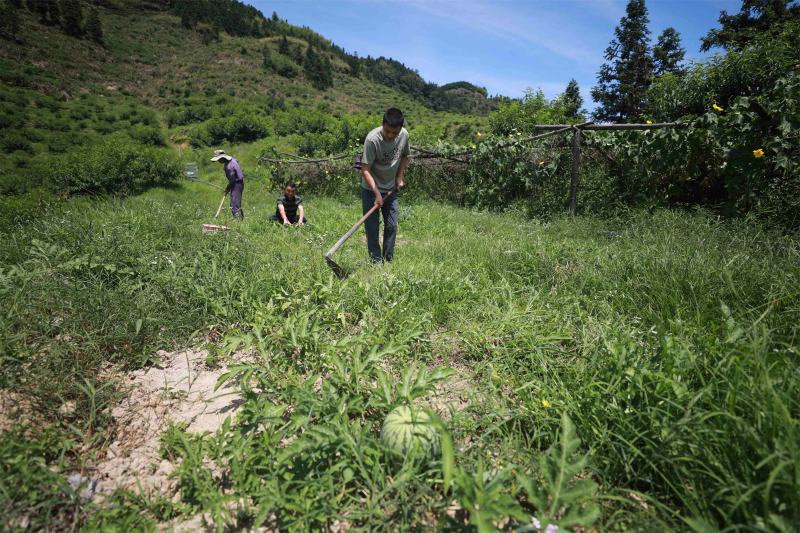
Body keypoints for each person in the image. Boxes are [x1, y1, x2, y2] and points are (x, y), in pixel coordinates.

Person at [359, 107, 410, 263]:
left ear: (400, 129)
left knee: (392, 226)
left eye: (394, 133)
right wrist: (377, 194)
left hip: (390, 189)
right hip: (371, 190)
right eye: (387, 131)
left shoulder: (404, 135)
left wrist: (400, 177)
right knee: (372, 229)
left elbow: (404, 156)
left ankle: (387, 261)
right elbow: (365, 170)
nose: (390, 135)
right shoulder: (372, 139)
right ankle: (375, 263)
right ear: (383, 123)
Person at [210, 149, 244, 220]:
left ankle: (238, 221)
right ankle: (241, 219)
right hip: (239, 184)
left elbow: (232, 179)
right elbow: (237, 161)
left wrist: (228, 188)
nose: (218, 161)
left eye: (219, 160)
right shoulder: (233, 160)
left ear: (223, 158)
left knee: (234, 205)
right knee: (237, 203)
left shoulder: (229, 166)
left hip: (236, 185)